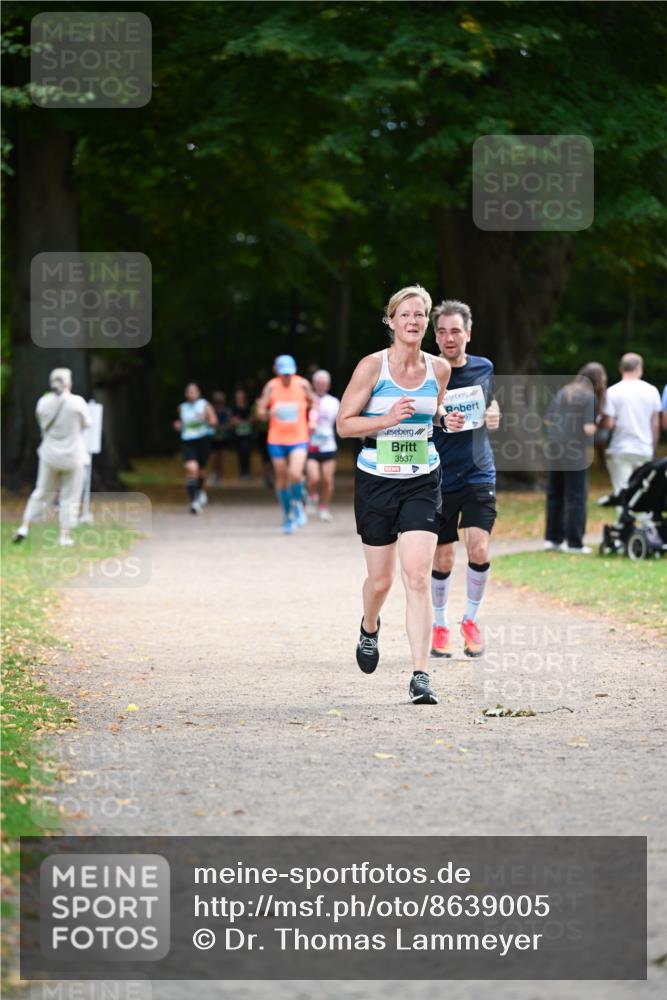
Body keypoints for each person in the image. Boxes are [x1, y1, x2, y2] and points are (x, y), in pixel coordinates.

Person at [336, 285, 452, 705]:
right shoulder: (372, 367)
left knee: (417, 577)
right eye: (405, 314)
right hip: (376, 479)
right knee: (381, 580)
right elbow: (344, 425)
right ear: (390, 321)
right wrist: (384, 419)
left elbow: (433, 413)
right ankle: (369, 626)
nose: (413, 321)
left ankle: (421, 674)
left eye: (420, 314)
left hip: (422, 478)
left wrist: (447, 420)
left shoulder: (439, 369)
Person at [429, 300, 500, 660]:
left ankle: (470, 621)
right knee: (442, 558)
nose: (448, 337)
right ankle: (439, 625)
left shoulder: (484, 367)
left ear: (468, 334)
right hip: (439, 476)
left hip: (477, 471)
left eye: (455, 330)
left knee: (479, 548)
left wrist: (495, 413)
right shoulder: (426, 371)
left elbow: (491, 404)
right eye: (441, 331)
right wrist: (439, 420)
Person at [13, 368, 91, 547]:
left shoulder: (43, 402)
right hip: (73, 456)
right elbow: (87, 423)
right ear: (69, 383)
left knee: (41, 491)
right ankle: (64, 535)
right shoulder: (77, 403)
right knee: (70, 496)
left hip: (49, 455)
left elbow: (41, 424)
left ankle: (25, 526)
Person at [543, 362, 607, 554]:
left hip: (554, 446)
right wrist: (601, 426)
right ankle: (575, 543)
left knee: (555, 493)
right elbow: (588, 428)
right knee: (576, 496)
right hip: (575, 450)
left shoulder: (565, 390)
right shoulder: (590, 397)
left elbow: (548, 419)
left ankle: (552, 540)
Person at [256, 355, 318, 534]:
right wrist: (268, 412)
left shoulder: (302, 384)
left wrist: (312, 419)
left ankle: (297, 503)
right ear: (276, 371)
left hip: (299, 437)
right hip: (276, 439)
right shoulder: (271, 386)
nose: (286, 377)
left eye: (289, 373)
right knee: (282, 478)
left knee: (295, 474)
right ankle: (288, 514)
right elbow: (259, 412)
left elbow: (314, 402)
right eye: (283, 374)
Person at [603, 353, 662, 496]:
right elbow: (655, 424)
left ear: (621, 368)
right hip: (643, 448)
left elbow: (609, 425)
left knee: (621, 491)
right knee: (643, 491)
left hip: (620, 448)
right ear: (638, 368)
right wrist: (652, 447)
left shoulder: (612, 392)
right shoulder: (651, 390)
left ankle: (623, 518)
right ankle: (645, 518)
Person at [173, 383, 217, 514]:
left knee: (201, 470)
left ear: (198, 393)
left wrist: (205, 419)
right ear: (186, 394)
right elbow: (182, 424)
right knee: (192, 469)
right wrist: (178, 426)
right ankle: (194, 501)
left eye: (194, 391)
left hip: (203, 440)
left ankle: (200, 490)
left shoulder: (205, 405)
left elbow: (214, 422)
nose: (192, 394)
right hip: (188, 441)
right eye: (189, 392)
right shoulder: (182, 408)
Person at [306, 369, 340, 521]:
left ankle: (324, 507)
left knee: (327, 479)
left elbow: (339, 422)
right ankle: (312, 496)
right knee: (313, 478)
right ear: (314, 384)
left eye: (324, 383)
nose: (321, 386)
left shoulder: (334, 402)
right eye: (318, 383)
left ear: (328, 385)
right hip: (310, 445)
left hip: (328, 445)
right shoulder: (307, 400)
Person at [208, 390, 232, 486]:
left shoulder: (227, 411)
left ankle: (220, 477)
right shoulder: (211, 410)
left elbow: (230, 423)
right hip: (213, 438)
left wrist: (224, 427)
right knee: (214, 458)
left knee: (221, 458)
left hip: (224, 438)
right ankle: (214, 474)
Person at [230, 388, 255, 480]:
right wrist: (236, 422)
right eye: (238, 396)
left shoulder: (248, 407)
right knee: (240, 453)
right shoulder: (233, 408)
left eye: (241, 396)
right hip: (237, 434)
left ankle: (247, 472)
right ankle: (242, 472)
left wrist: (244, 421)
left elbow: (252, 419)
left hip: (247, 434)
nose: (240, 397)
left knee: (246, 452)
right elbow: (231, 421)